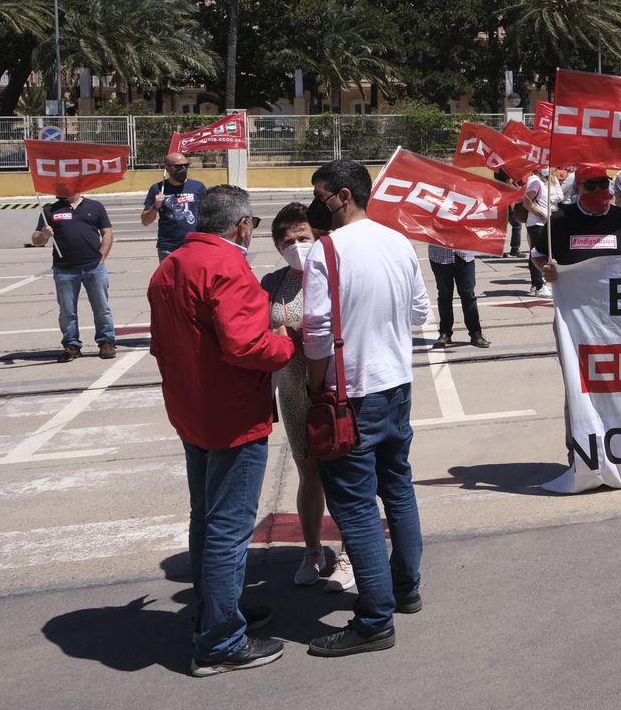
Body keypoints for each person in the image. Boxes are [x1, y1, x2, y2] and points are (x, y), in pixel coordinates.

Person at [147, 185, 296, 676]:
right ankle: (220, 641)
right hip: (232, 415)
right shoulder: (227, 267)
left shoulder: (171, 264)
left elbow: (162, 345)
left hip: (192, 410)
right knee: (230, 529)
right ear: (243, 225)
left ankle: (216, 611)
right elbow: (246, 347)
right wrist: (287, 345)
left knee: (206, 520)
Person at [301, 160, 429, 657]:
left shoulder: (326, 251)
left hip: (349, 392)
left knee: (354, 506)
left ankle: (374, 620)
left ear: (345, 195)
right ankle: (405, 589)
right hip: (396, 384)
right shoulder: (397, 241)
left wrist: (316, 389)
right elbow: (420, 311)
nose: (318, 206)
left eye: (322, 196)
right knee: (397, 488)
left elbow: (315, 334)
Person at [258, 203, 344, 594]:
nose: (296, 246)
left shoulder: (334, 273)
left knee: (343, 475)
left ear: (318, 237)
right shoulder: (272, 282)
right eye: (288, 241)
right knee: (309, 476)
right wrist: (277, 336)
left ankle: (350, 554)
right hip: (293, 391)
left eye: (303, 238)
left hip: (333, 389)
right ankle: (312, 551)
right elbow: (256, 332)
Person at [33, 185, 116, 362]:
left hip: (94, 267)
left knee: (101, 307)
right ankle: (71, 345)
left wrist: (102, 257)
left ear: (77, 187)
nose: (60, 190)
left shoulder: (95, 206)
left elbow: (107, 232)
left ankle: (106, 341)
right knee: (67, 311)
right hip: (64, 269)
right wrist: (44, 236)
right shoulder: (49, 209)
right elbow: (36, 239)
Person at [535, 166, 621, 279]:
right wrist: (546, 268)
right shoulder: (559, 220)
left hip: (616, 293)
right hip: (575, 294)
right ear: (576, 188)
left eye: (603, 183)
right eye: (590, 185)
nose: (597, 190)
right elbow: (537, 254)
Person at [140, 151, 205, 260]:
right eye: (178, 166)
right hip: (168, 248)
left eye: (186, 165)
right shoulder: (157, 189)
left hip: (194, 245)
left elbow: (208, 214)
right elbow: (145, 221)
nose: (183, 169)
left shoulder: (198, 187)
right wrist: (155, 206)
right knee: (170, 277)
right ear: (167, 169)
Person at [428, 242, 488, 350]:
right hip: (440, 255)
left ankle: (476, 334)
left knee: (468, 296)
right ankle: (445, 333)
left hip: (464, 255)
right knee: (444, 296)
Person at [522, 165, 553, 294]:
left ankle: (537, 284)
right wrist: (542, 215)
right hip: (537, 224)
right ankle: (539, 285)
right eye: (545, 166)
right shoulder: (535, 181)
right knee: (537, 253)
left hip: (540, 223)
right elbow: (527, 202)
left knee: (535, 254)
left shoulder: (540, 181)